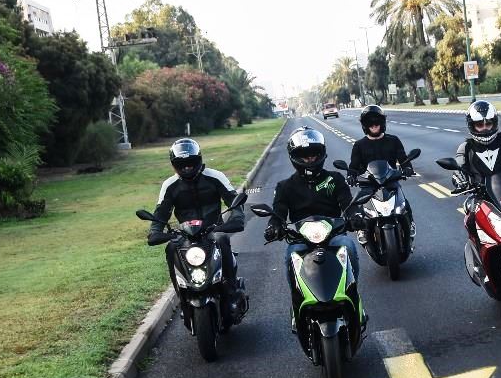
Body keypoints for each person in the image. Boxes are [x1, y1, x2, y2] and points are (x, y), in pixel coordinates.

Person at [263, 127, 365, 323]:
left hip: (334, 234)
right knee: (291, 256)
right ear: (294, 157)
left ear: (321, 154)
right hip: (300, 238)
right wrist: (274, 226)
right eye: (304, 155)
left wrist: (355, 216)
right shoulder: (285, 186)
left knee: (348, 246)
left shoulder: (334, 179)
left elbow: (348, 203)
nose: (310, 159)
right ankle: (297, 306)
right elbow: (279, 212)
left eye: (313, 154)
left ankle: (352, 293)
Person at [149, 137, 247, 312]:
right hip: (186, 234)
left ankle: (231, 290)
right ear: (174, 165)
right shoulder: (170, 185)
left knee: (222, 239)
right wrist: (155, 230)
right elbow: (161, 212)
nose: (187, 167)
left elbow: (233, 200)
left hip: (213, 229)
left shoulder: (214, 176)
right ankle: (182, 296)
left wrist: (237, 218)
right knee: (171, 248)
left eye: (191, 162)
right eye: (182, 164)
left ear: (199, 159)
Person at [347, 105, 416, 247]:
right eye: (370, 122)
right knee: (360, 207)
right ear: (365, 125)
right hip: (368, 185)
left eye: (376, 121)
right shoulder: (359, 145)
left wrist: (407, 168)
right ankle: (362, 230)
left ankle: (410, 224)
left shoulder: (393, 140)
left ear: (382, 123)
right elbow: (353, 166)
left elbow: (403, 159)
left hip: (391, 182)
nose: (373, 124)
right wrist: (351, 176)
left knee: (404, 204)